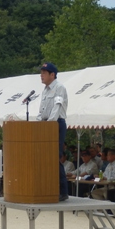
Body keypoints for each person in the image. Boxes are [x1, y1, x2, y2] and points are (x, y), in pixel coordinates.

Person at [36, 62, 69, 201]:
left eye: (44, 72)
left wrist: (48, 126)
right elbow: (42, 110)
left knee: (55, 157)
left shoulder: (59, 88)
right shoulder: (45, 90)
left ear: (52, 74)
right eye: (41, 72)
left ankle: (62, 191)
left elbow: (56, 108)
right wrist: (36, 125)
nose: (41, 75)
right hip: (46, 125)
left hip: (56, 124)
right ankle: (49, 188)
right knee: (45, 158)